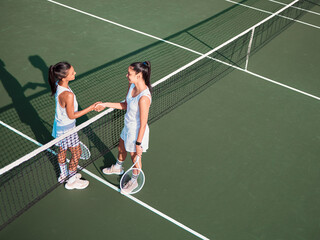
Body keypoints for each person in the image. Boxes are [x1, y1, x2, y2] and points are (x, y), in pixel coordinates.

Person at [96, 61, 152, 194]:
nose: (126, 75)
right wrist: (105, 104)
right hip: (127, 125)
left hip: (137, 132)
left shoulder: (144, 98)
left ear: (139, 75)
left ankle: (134, 180)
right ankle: (117, 167)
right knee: (121, 148)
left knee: (135, 158)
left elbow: (143, 123)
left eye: (129, 73)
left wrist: (138, 143)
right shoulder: (132, 85)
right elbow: (125, 105)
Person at [48, 62, 100, 190]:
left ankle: (63, 175)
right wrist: (92, 107)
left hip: (59, 126)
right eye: (72, 73)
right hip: (68, 129)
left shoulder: (58, 84)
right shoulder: (68, 95)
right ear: (64, 77)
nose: (75, 73)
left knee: (62, 151)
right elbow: (72, 115)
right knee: (77, 153)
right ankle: (71, 180)